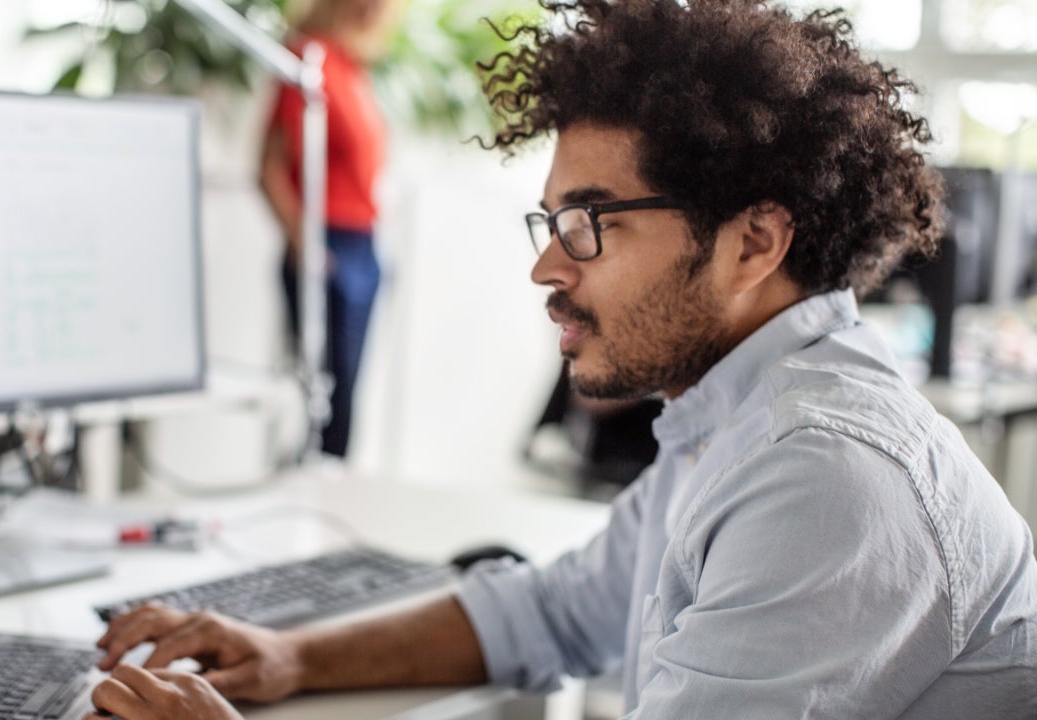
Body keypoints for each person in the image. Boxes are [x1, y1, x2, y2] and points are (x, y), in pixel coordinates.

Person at [84, 1, 1037, 717]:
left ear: (754, 244)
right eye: (552, 220)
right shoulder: (730, 415)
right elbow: (553, 613)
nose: (546, 264)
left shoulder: (826, 474)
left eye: (589, 223)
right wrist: (292, 658)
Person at [260, 0, 402, 458]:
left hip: (364, 244)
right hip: (328, 245)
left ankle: (331, 501)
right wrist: (308, 247)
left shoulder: (352, 68)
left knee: (346, 402)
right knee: (323, 402)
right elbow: (268, 168)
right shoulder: (308, 61)